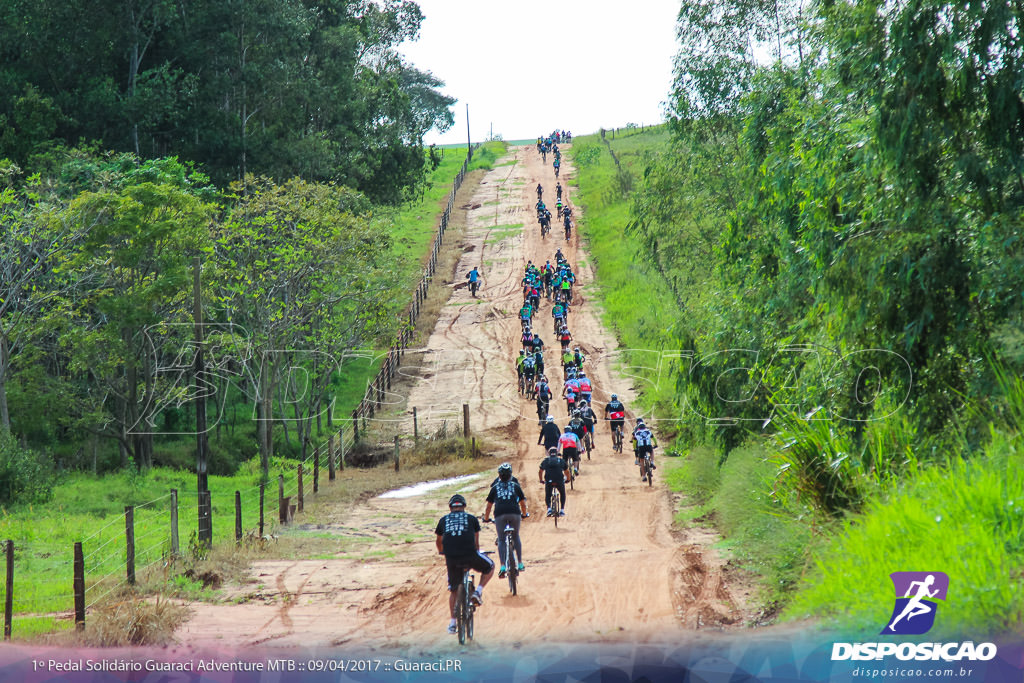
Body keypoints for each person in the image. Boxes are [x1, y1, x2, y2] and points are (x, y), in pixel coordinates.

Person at [435, 494, 495, 634]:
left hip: (451, 557)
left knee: (454, 590)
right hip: (470, 554)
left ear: (450, 508)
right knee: (490, 566)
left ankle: (452, 623)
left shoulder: (443, 520)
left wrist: (442, 552)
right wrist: (477, 551)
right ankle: (478, 591)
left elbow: (439, 541)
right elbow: (476, 542)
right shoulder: (472, 519)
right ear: (464, 507)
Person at [482, 463, 529, 577]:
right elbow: (522, 503)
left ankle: (503, 565)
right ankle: (521, 563)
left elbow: (488, 506)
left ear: (499, 475)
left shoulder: (495, 487)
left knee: (502, 540)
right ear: (510, 475)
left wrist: (486, 518)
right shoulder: (515, 485)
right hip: (515, 513)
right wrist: (524, 514)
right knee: (516, 536)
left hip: (500, 514)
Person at [538, 447, 569, 516]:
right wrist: (568, 479)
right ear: (557, 453)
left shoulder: (545, 461)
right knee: (562, 493)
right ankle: (562, 510)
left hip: (549, 480)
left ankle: (549, 509)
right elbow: (567, 472)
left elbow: (540, 471)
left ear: (549, 453)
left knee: (548, 494)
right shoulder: (561, 460)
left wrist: (541, 480)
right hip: (559, 480)